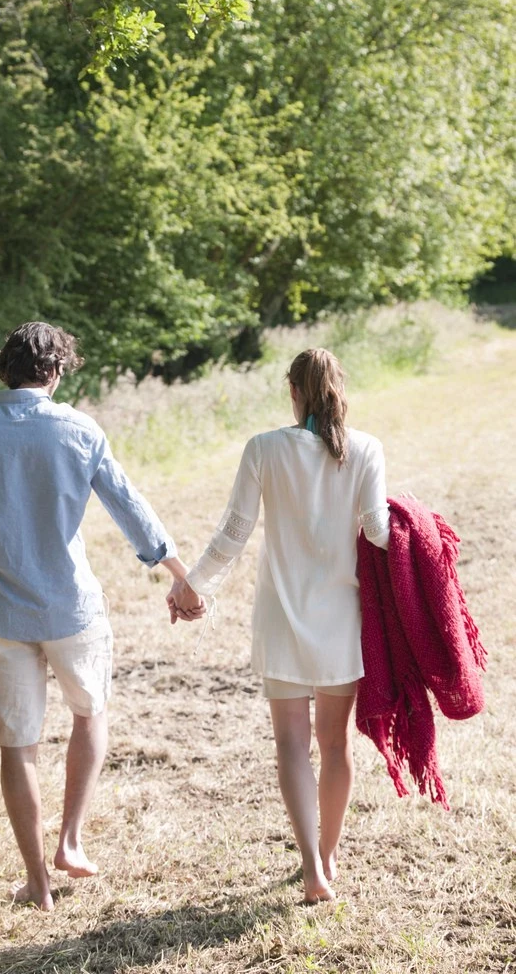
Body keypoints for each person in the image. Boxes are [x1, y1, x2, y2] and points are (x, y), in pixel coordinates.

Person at [0, 321, 202, 912]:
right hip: (73, 609)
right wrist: (178, 574)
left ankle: (37, 884)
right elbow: (130, 506)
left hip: (2, 613)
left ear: (4, 369)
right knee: (90, 714)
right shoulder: (80, 429)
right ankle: (70, 842)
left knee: (17, 746)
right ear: (57, 371)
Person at [168, 348, 390, 904]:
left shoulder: (264, 449)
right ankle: (330, 854)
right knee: (335, 745)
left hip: (281, 617)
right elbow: (382, 533)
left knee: (291, 745)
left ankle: (312, 867)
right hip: (342, 618)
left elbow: (233, 533)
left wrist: (193, 585)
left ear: (293, 392)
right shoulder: (365, 449)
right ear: (340, 390)